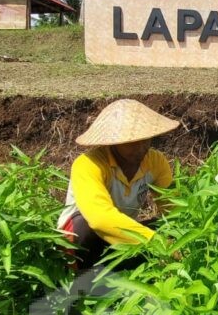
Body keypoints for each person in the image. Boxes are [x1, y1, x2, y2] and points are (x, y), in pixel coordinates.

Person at [57, 98, 179, 270]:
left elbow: (173, 209)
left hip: (121, 237)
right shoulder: (89, 165)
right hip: (79, 244)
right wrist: (158, 242)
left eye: (146, 139)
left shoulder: (156, 162)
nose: (142, 146)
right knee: (85, 227)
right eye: (132, 141)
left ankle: (125, 278)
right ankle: (81, 284)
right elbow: (100, 219)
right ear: (114, 142)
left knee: (167, 227)